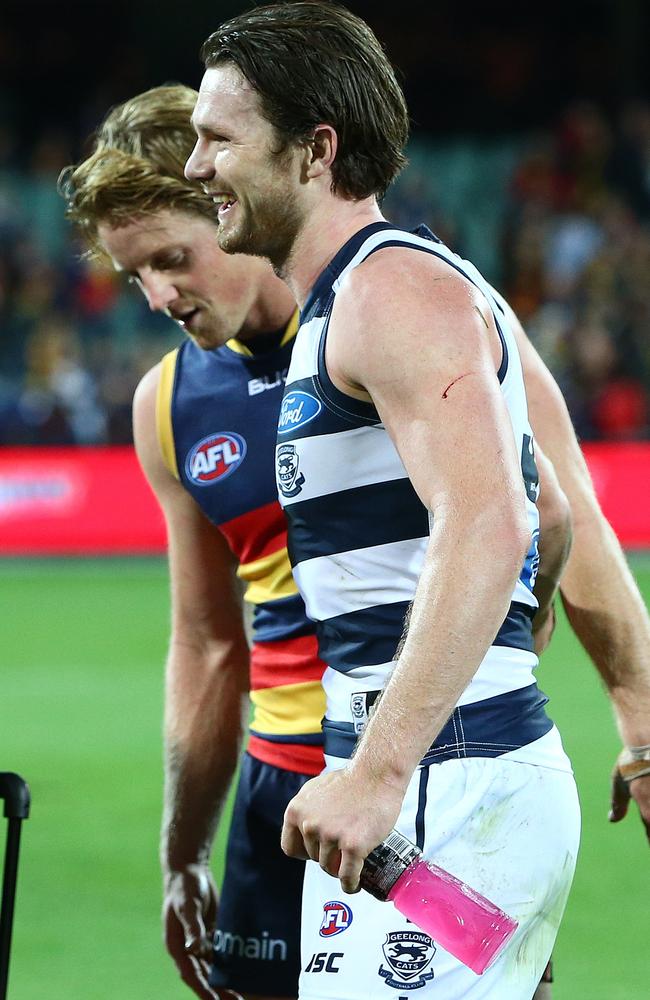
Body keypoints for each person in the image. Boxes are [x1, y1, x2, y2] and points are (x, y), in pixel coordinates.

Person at [185, 3, 650, 998]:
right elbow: (558, 512)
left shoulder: (388, 295)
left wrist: (387, 766)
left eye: (217, 138)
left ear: (313, 149)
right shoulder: (400, 291)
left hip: (433, 789)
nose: (194, 166)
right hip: (435, 785)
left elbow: (495, 520)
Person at [59, 84, 329, 1000]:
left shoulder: (394, 314)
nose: (158, 296)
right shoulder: (168, 405)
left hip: (433, 787)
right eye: (135, 273)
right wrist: (181, 855)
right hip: (275, 802)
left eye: (172, 259)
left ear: (229, 198)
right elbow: (211, 645)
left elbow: (548, 521)